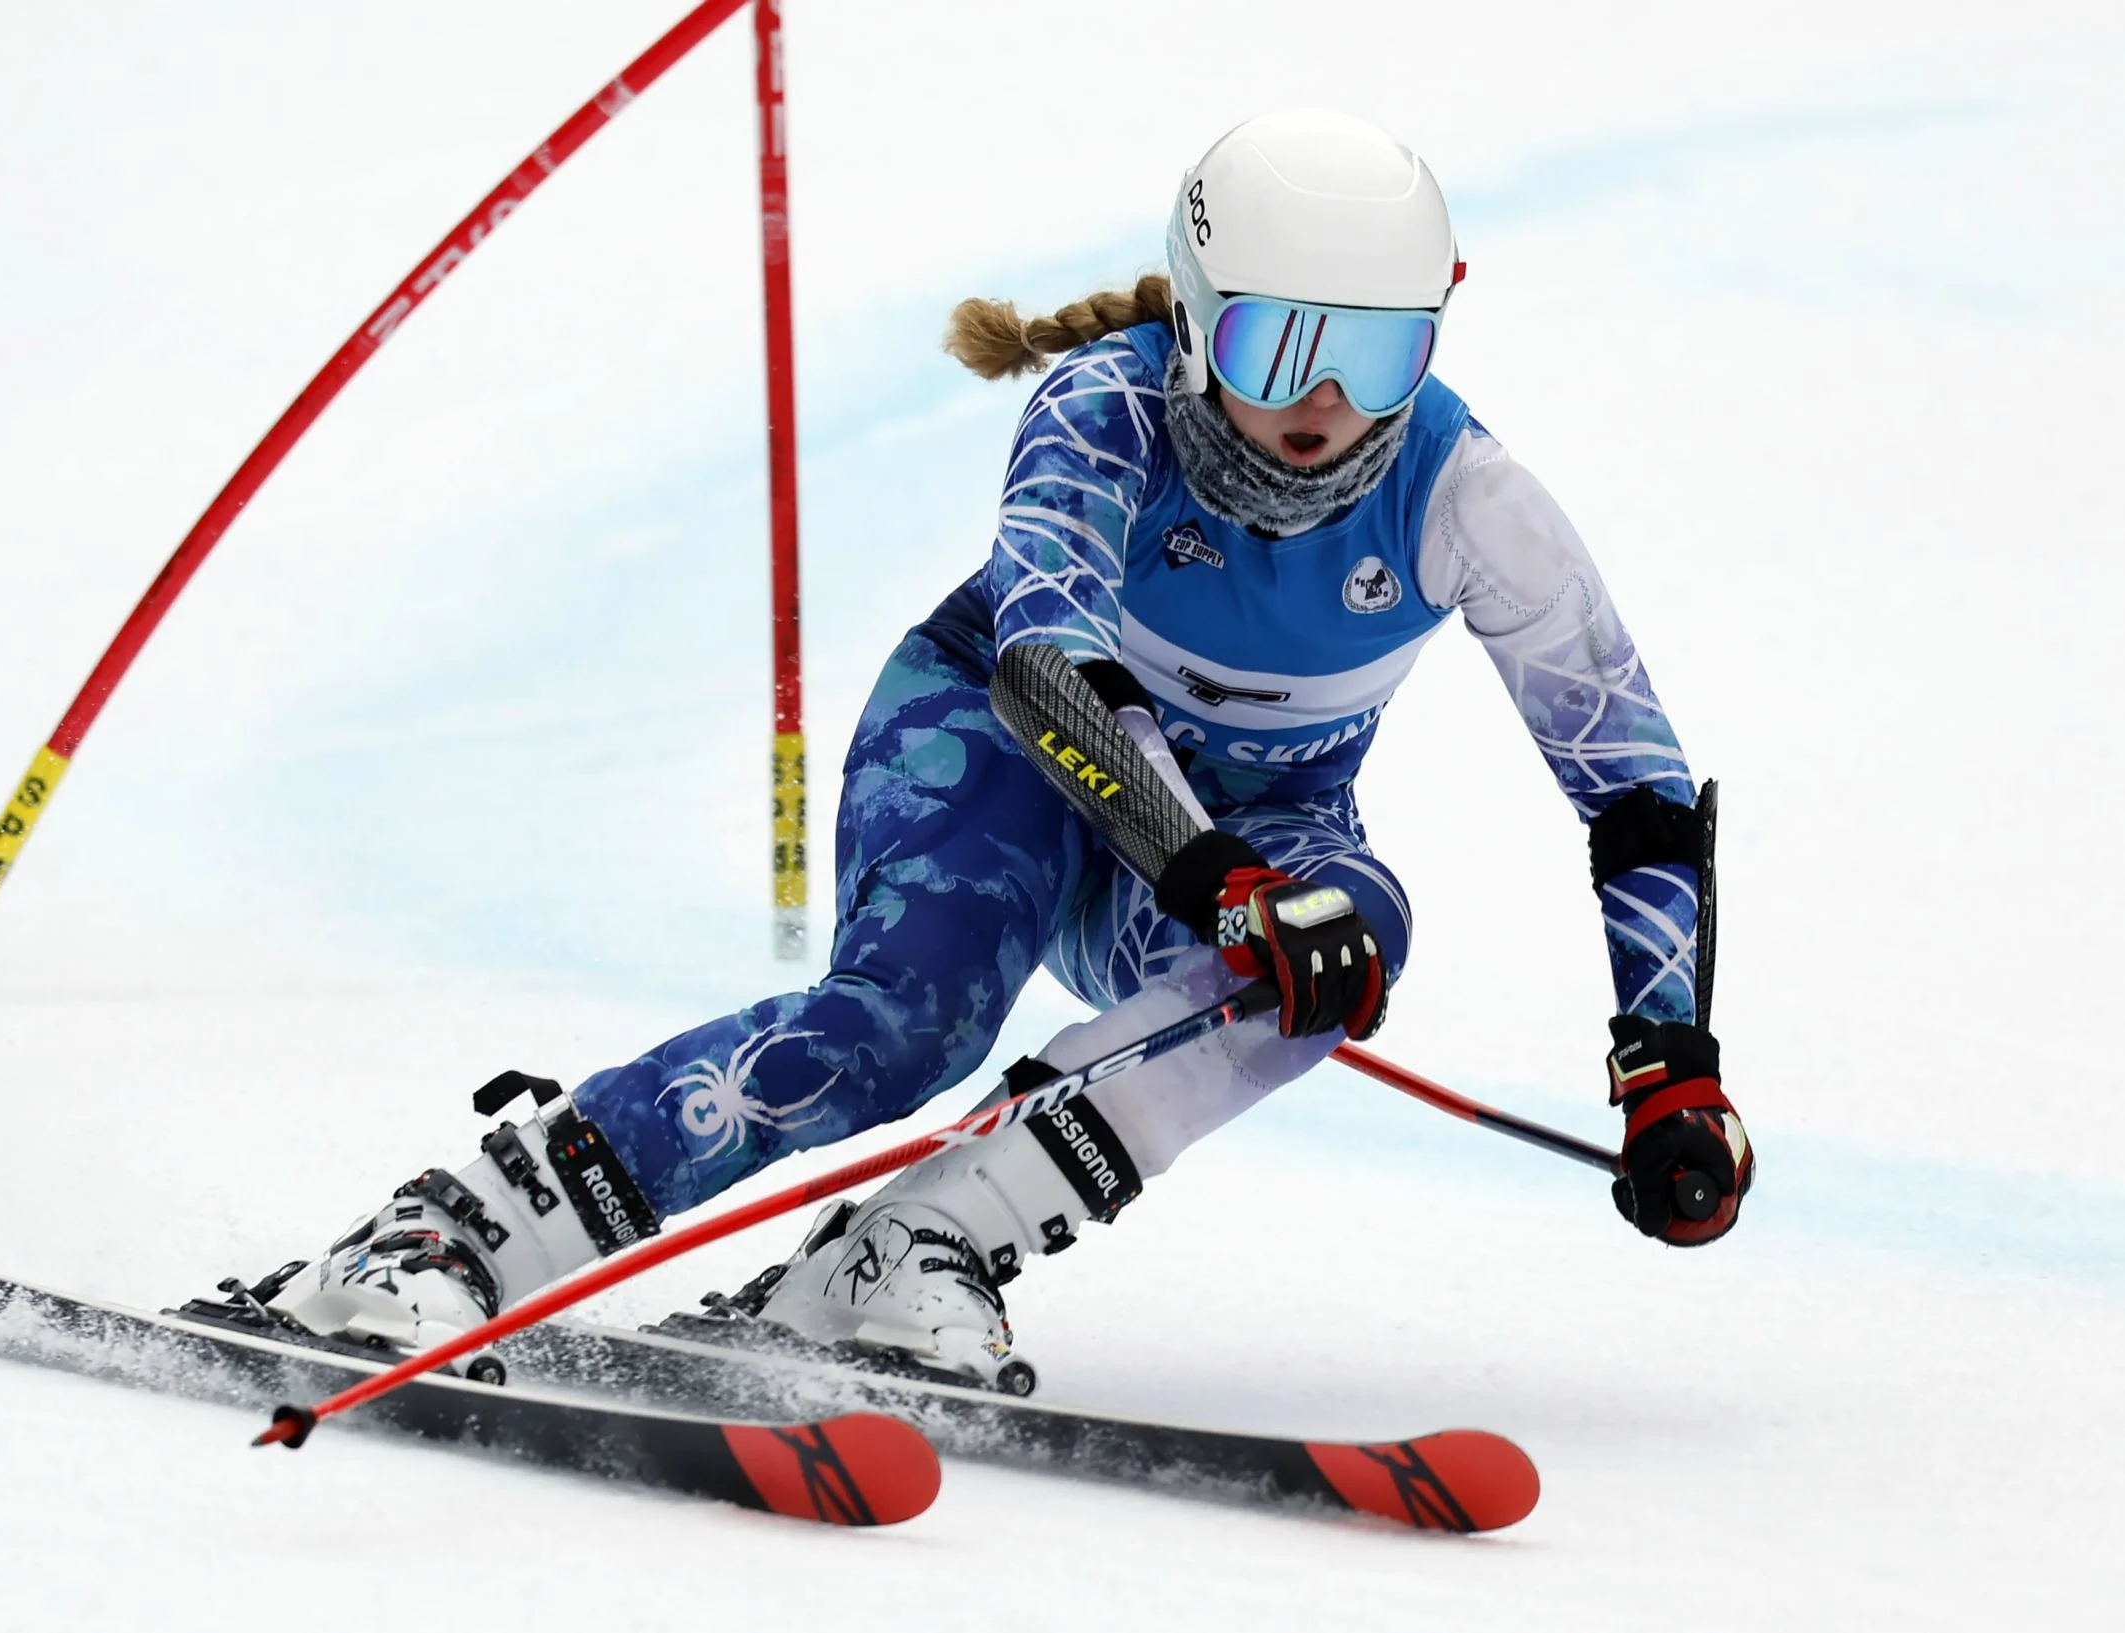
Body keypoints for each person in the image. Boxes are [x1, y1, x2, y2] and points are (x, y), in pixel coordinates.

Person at [244, 109, 1755, 1391]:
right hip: (1000, 752)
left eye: (1375, 358)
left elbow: (1627, 780)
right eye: (1276, 340)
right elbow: (1047, 666)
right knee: (910, 1023)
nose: (1319, 403)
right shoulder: (1098, 412)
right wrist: (1217, 873)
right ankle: (442, 1236)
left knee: (1341, 940)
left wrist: (1665, 1063)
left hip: (1230, 841)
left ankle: (912, 1248)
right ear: (1194, 307)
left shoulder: (1470, 500)